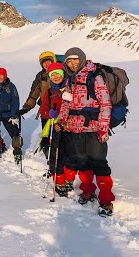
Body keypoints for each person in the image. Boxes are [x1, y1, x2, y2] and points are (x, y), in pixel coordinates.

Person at [56, 47, 114, 216]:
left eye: (75, 59)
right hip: (75, 128)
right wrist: (61, 119)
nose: (72, 63)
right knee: (82, 161)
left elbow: (105, 104)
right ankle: (88, 191)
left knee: (99, 163)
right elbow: (66, 103)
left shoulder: (95, 77)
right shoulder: (70, 80)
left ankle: (106, 200)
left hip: (94, 128)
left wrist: (103, 129)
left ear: (81, 58)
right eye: (68, 61)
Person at [41, 62, 77, 197]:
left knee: (71, 155)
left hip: (71, 126)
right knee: (56, 155)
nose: (55, 77)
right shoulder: (49, 92)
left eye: (58, 73)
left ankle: (69, 180)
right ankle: (59, 181)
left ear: (63, 74)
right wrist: (49, 114)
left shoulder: (71, 89)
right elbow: (43, 110)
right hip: (55, 127)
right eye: (52, 75)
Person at [18, 51, 57, 158]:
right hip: (45, 110)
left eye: (48, 61)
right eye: (44, 62)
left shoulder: (61, 73)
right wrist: (26, 108)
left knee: (58, 136)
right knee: (46, 134)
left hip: (60, 110)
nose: (46, 64)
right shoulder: (40, 76)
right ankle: (49, 156)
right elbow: (34, 94)